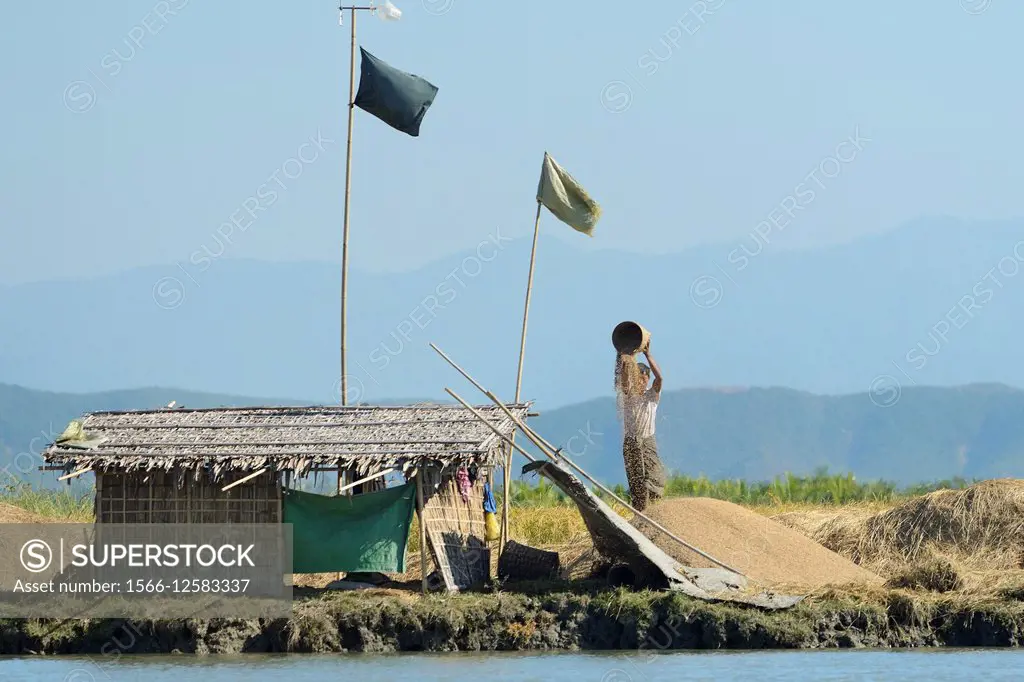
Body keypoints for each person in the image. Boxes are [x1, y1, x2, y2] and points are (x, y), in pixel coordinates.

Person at [617, 348, 666, 511]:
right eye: (637, 379)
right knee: (637, 483)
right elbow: (624, 382)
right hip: (631, 441)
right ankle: (640, 514)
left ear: (647, 380)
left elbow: (660, 378)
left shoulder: (651, 396)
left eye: (643, 379)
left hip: (647, 440)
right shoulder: (628, 395)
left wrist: (647, 354)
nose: (640, 382)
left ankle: (653, 509)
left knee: (654, 478)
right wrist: (626, 360)